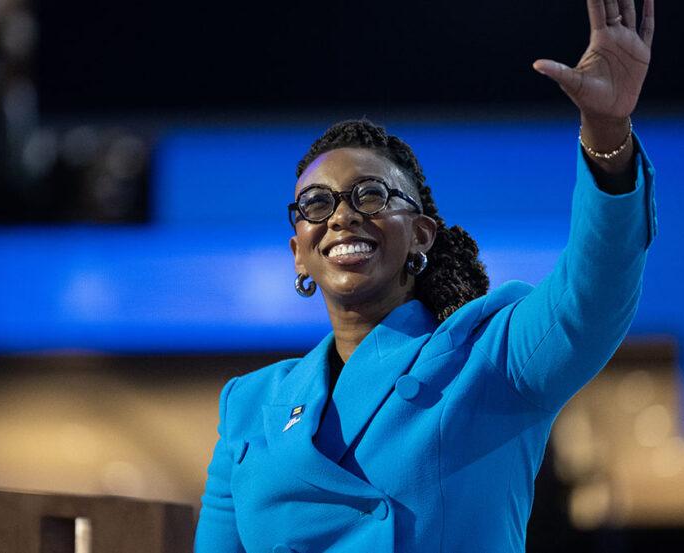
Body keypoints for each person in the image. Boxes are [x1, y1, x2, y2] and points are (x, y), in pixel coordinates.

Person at [195, 0, 656, 550]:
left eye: (370, 195)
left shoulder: (489, 358)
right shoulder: (248, 404)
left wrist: (606, 132)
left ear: (420, 234)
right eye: (317, 204)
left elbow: (591, 297)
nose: (342, 215)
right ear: (299, 252)